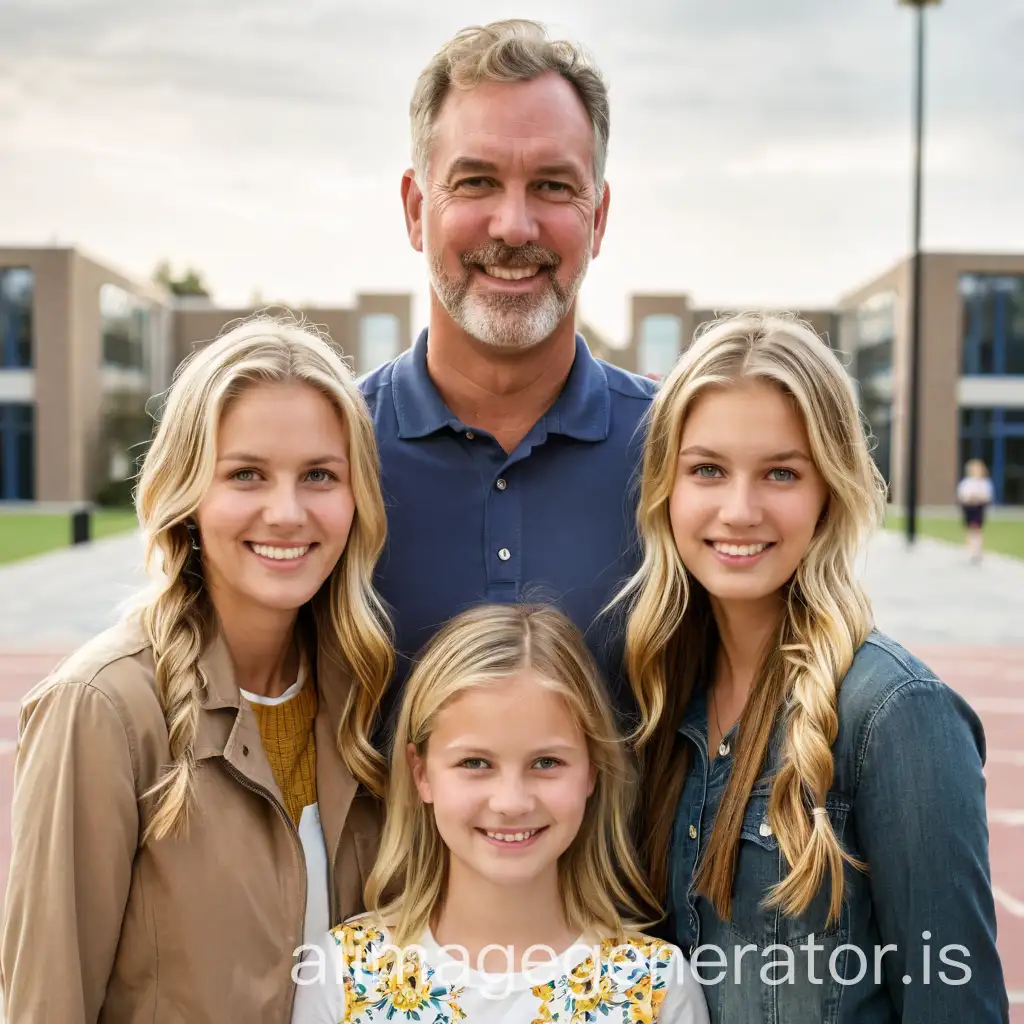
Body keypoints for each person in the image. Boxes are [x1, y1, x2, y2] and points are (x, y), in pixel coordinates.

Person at [0, 316, 394, 1022]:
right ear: (187, 497)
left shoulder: (364, 694)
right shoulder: (103, 709)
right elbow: (45, 1006)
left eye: (319, 476)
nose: (286, 511)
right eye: (246, 474)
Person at [617, 314, 1008, 1022]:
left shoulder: (895, 714)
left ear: (830, 488)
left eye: (781, 473)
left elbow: (955, 1005)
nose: (740, 510)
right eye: (707, 470)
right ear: (664, 488)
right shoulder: (658, 692)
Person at [360, 20, 654, 735]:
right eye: (476, 182)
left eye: (553, 186)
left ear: (600, 217)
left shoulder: (680, 452)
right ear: (415, 209)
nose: (515, 225)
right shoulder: (328, 455)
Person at [292, 602, 709, 1024]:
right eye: (475, 763)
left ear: (592, 771)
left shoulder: (653, 986)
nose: (511, 802)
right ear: (421, 773)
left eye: (546, 762)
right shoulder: (345, 974)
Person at [957, 458, 995, 563]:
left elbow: (987, 496)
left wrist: (978, 497)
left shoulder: (984, 483)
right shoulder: (967, 482)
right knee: (969, 530)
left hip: (978, 508)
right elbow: (962, 495)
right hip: (969, 508)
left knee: (977, 530)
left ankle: (977, 551)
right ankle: (970, 550)